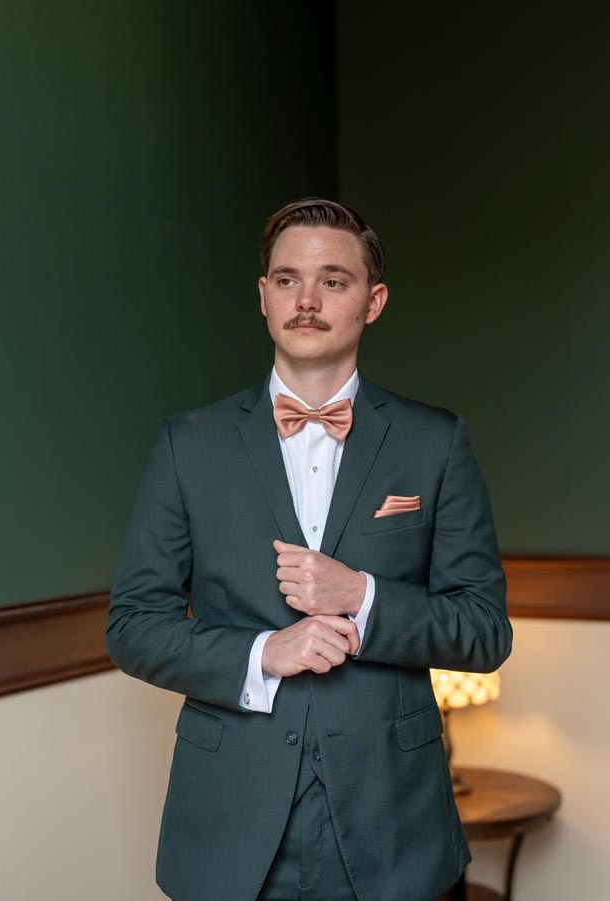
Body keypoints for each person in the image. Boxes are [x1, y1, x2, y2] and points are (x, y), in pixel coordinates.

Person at [105, 198, 512, 901]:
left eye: (334, 279)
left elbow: (484, 630)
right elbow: (133, 626)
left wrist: (363, 597)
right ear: (263, 296)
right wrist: (265, 652)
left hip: (394, 824)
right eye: (288, 279)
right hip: (228, 819)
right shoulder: (187, 445)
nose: (308, 299)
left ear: (372, 301)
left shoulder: (435, 442)